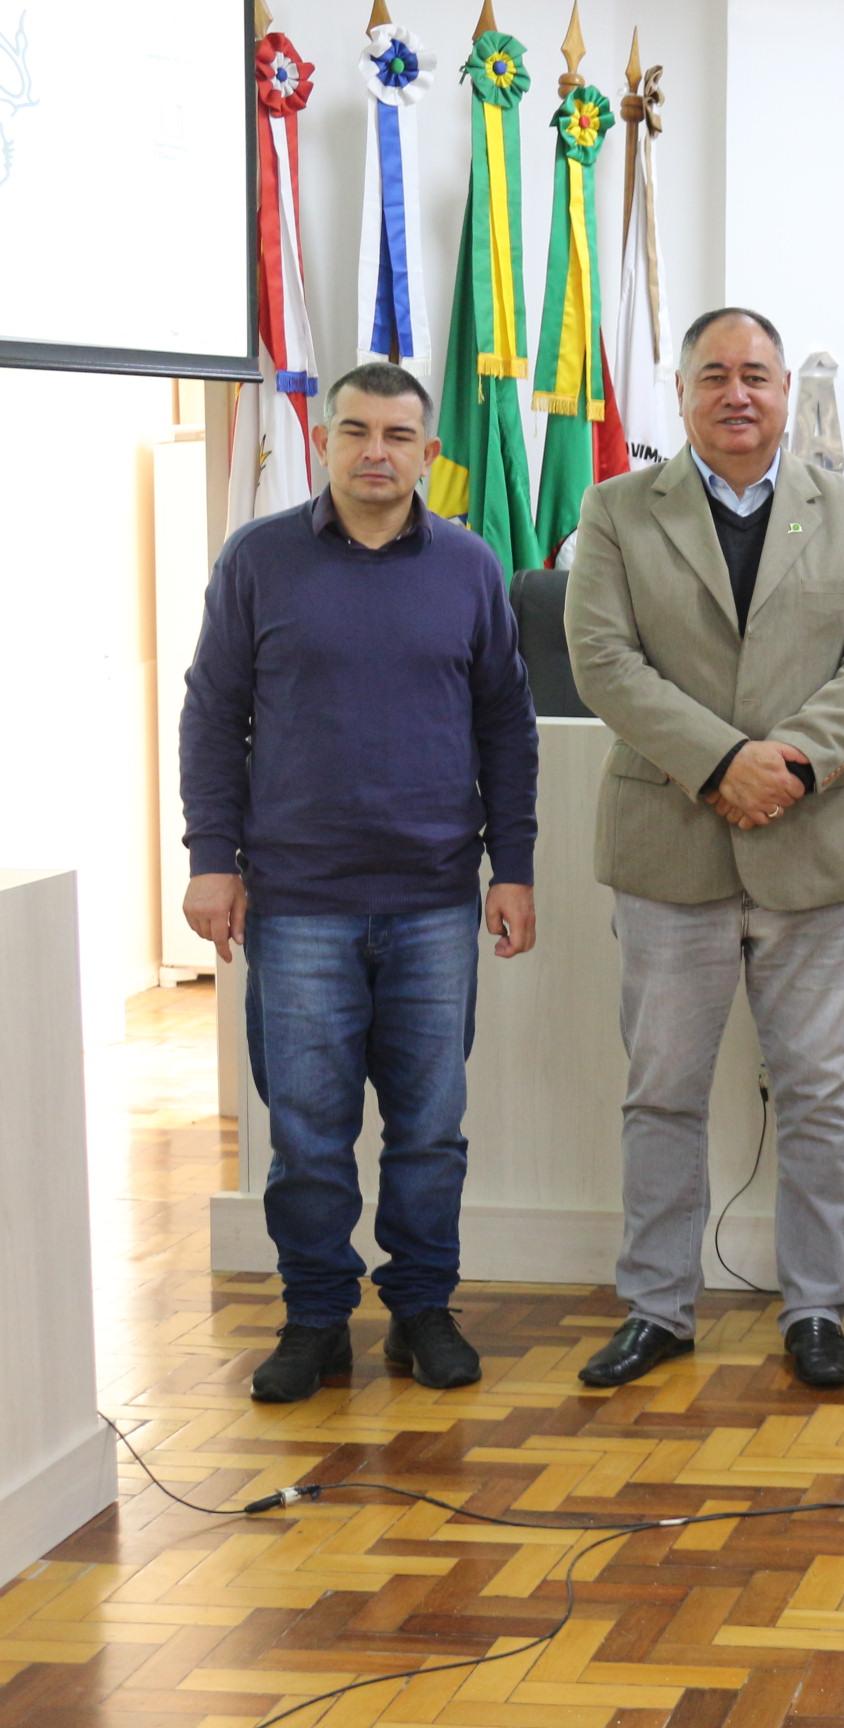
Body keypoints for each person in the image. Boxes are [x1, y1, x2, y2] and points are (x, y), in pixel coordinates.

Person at [565, 306, 844, 1391]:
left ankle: (815, 1307)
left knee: (818, 1092)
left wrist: (790, 763)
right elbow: (603, 661)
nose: (737, 393)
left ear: (785, 393)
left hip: (811, 848)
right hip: (673, 848)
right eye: (714, 374)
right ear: (681, 392)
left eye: (756, 373)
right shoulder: (620, 509)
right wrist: (721, 763)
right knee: (661, 1092)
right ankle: (659, 1308)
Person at [179, 361, 539, 1404]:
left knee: (429, 1130)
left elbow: (505, 727)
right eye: (354, 432)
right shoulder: (260, 560)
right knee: (306, 1133)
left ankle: (420, 1311)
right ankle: (316, 1320)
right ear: (326, 441)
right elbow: (212, 717)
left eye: (396, 434)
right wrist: (212, 858)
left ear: (429, 451)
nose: (374, 451)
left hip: (434, 897)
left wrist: (510, 868)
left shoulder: (470, 566)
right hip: (298, 903)